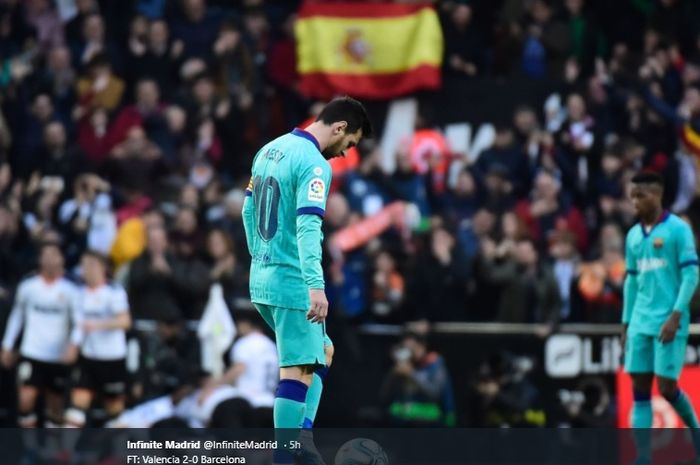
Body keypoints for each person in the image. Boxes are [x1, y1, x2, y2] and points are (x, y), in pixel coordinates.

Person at [242, 96, 371, 464]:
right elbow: (309, 226)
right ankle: (286, 457)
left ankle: (302, 439)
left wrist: (260, 256)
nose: (346, 153)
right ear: (339, 127)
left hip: (263, 278)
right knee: (296, 370)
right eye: (350, 144)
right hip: (293, 282)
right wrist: (316, 286)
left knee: (322, 351)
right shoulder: (314, 164)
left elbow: (247, 209)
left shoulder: (270, 150)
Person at [622, 172, 700, 465]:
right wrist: (626, 323)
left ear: (657, 195)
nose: (634, 202)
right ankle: (642, 457)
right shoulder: (632, 235)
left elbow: (692, 274)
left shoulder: (678, 230)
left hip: (669, 320)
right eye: (632, 196)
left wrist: (676, 315)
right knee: (640, 388)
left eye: (640, 196)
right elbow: (631, 281)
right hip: (640, 321)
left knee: (667, 389)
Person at [1, 242, 79, 427]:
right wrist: (7, 345)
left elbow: (78, 321)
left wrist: (73, 345)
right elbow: (17, 317)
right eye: (46, 254)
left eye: (54, 254)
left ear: (62, 259)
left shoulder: (71, 289)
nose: (50, 259)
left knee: (55, 404)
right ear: (40, 259)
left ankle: (53, 449)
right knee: (25, 400)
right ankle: (30, 448)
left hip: (57, 355)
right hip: (32, 351)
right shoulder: (28, 286)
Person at [64, 251, 132, 428]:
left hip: (112, 358)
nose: (85, 270)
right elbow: (79, 325)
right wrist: (73, 345)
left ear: (102, 268)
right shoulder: (79, 293)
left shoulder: (114, 291)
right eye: (83, 265)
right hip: (89, 357)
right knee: (76, 407)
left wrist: (98, 325)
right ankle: (64, 453)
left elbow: (125, 321)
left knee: (114, 411)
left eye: (90, 264)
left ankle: (121, 453)